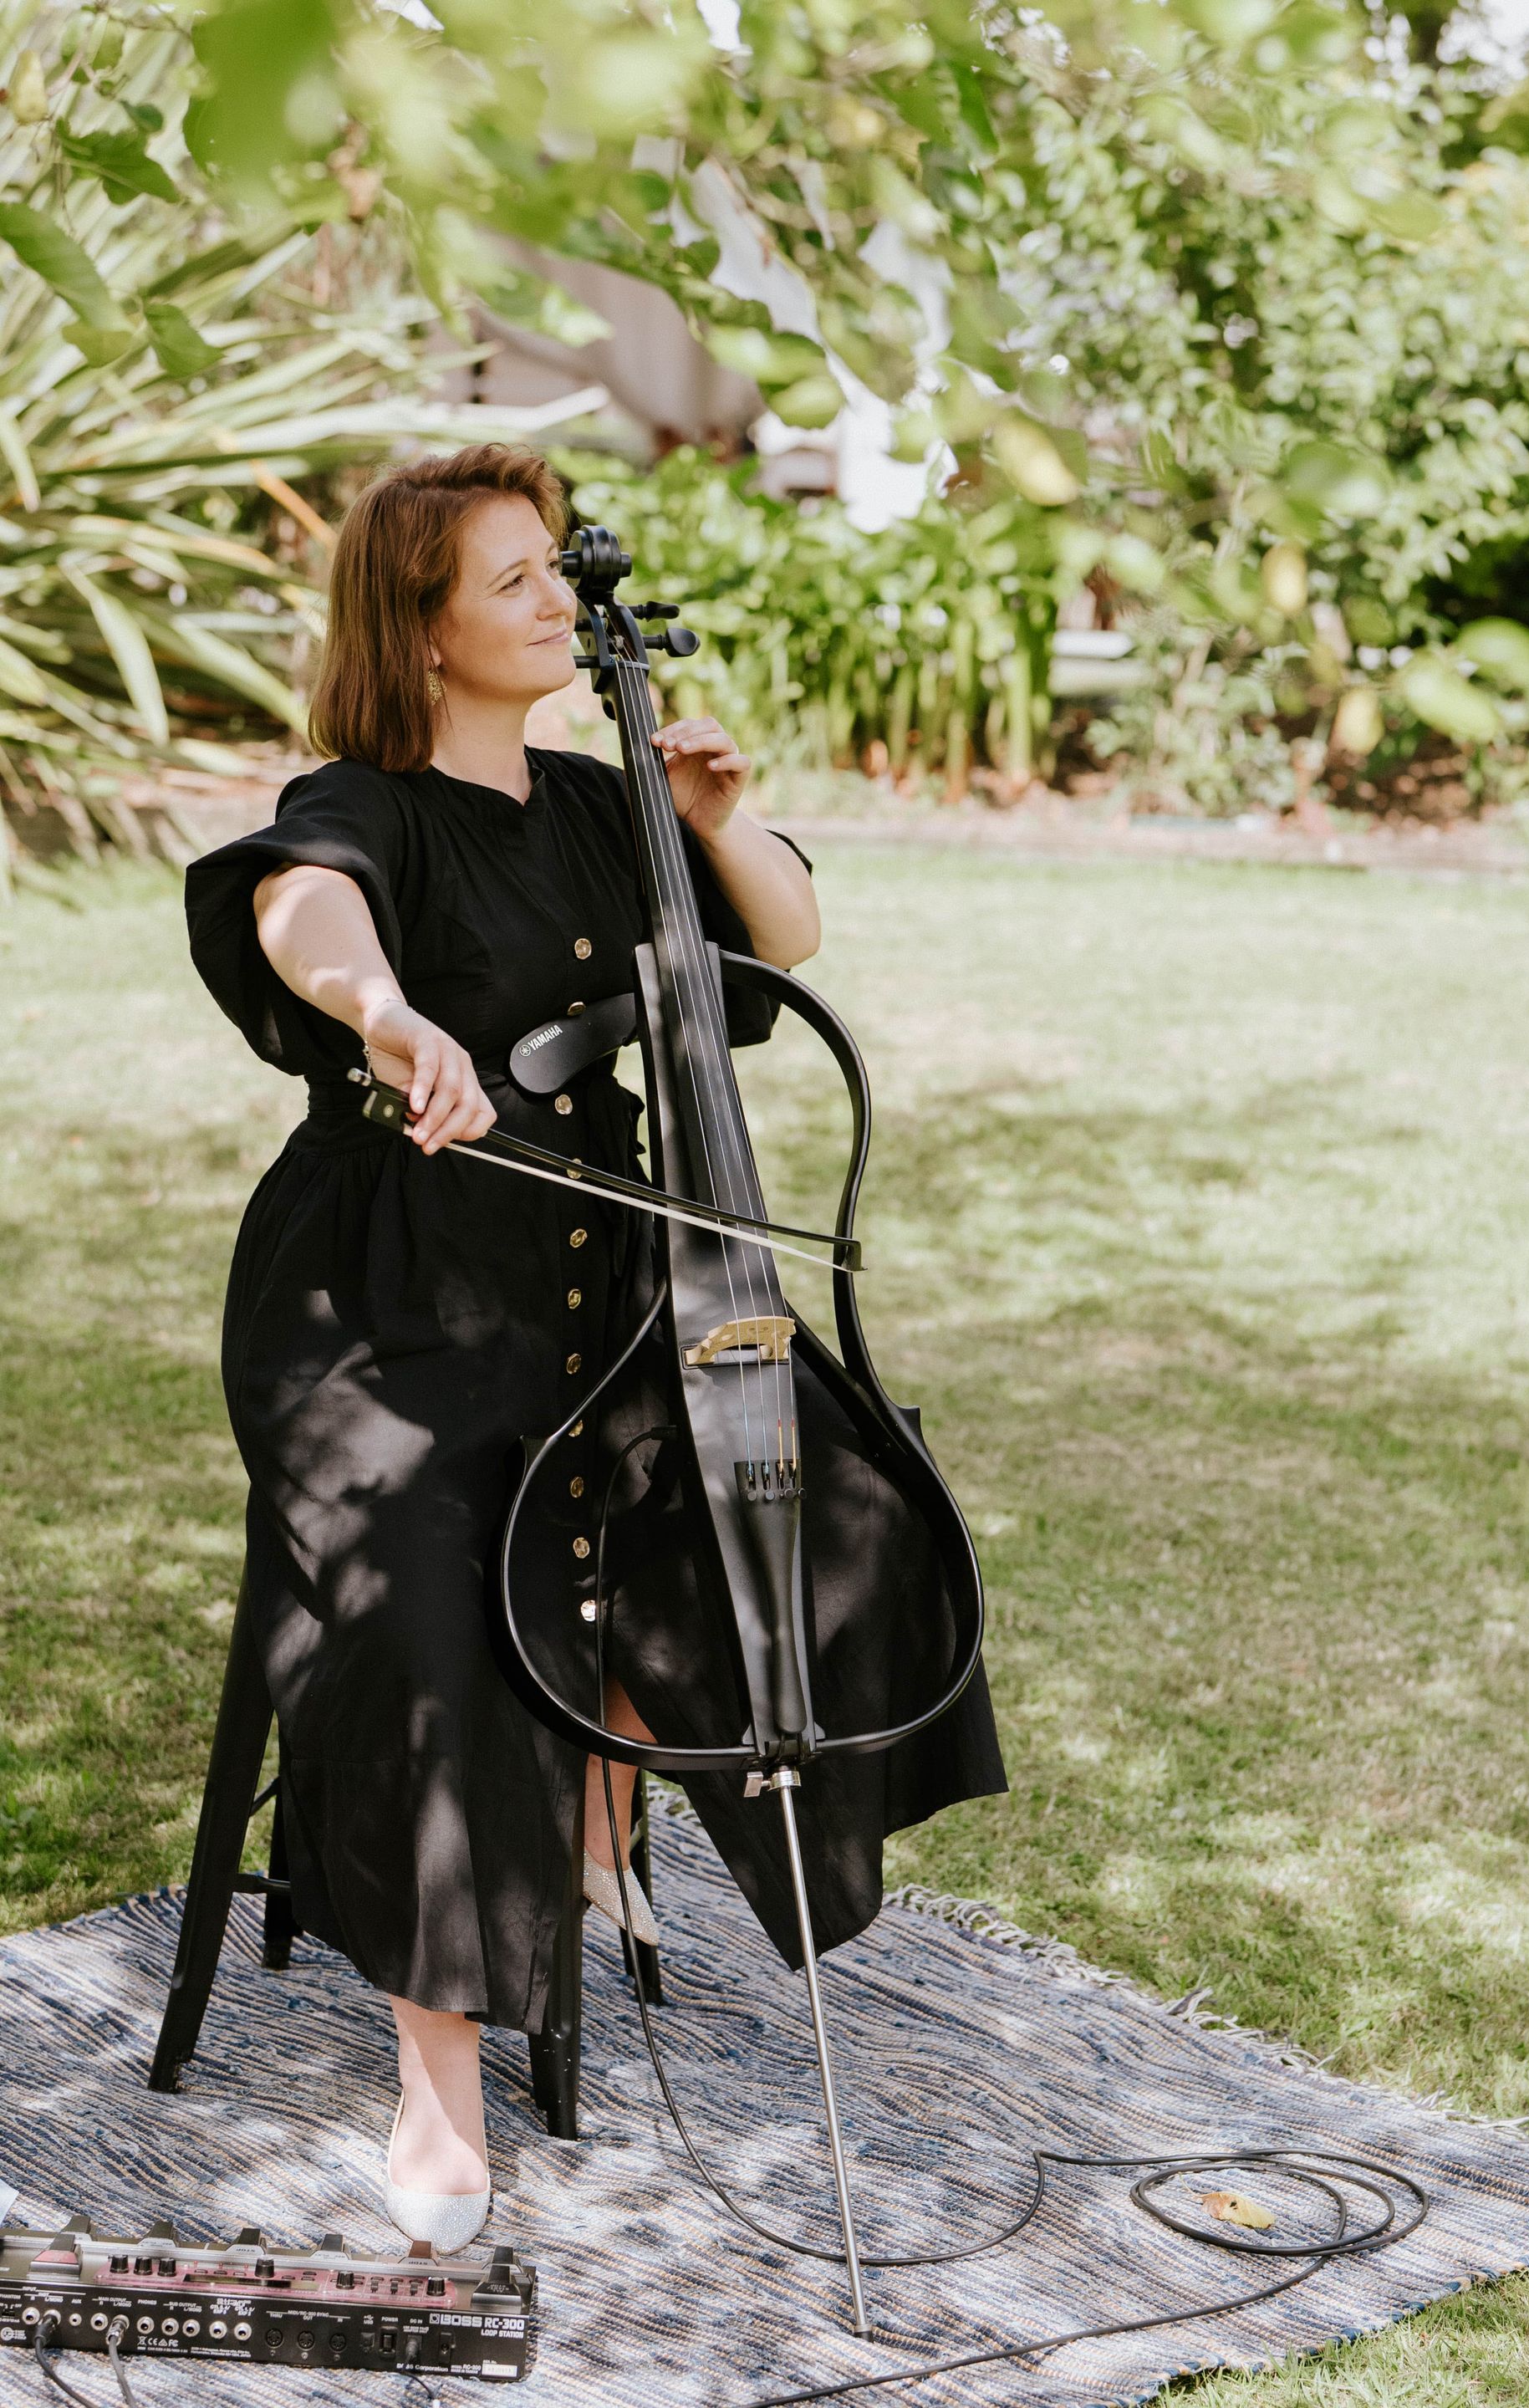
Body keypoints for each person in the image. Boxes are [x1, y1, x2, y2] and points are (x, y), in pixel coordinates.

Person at [185, 444, 1005, 2253]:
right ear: (422, 630)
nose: (562, 602)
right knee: (432, 1594)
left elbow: (786, 939)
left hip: (607, 1268)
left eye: (558, 570)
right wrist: (384, 1011)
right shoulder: (364, 802)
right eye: (517, 581)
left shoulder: (595, 798)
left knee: (828, 1503)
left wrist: (711, 817)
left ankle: (599, 1806)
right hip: (388, 1301)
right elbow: (302, 905)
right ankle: (438, 2080)